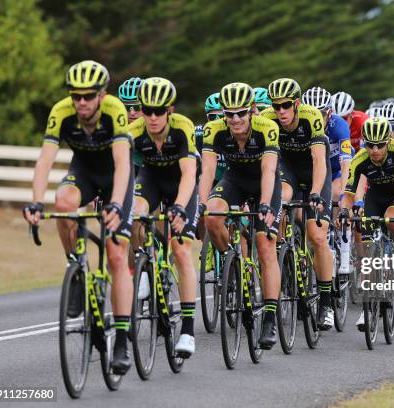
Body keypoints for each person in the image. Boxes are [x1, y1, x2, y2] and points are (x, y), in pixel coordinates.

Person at [23, 60, 134, 374]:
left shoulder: (115, 111)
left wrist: (114, 204)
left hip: (116, 178)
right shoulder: (61, 111)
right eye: (76, 96)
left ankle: (123, 340)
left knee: (115, 255)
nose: (81, 102)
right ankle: (75, 266)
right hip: (83, 173)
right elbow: (45, 160)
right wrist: (34, 202)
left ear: (101, 94)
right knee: (62, 201)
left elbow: (124, 164)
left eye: (87, 96)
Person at [199, 82, 282, 349]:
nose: (235, 119)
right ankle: (231, 264)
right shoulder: (214, 130)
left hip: (264, 184)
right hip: (234, 180)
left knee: (265, 244)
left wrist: (267, 204)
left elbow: (269, 170)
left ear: (253, 111)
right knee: (212, 215)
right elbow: (208, 171)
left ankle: (270, 316)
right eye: (229, 113)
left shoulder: (267, 128)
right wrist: (202, 204)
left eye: (241, 113)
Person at [130, 77, 199, 357]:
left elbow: (189, 175)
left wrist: (180, 207)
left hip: (181, 185)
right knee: (134, 215)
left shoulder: (183, 128)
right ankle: (142, 263)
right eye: (147, 110)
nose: (153, 117)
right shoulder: (133, 130)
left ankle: (188, 331)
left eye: (159, 111)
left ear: (169, 109)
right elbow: (122, 172)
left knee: (181, 250)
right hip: (151, 181)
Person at [262, 78, 335, 331]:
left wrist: (315, 192)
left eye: (285, 106)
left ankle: (326, 302)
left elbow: (318, 160)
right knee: (281, 199)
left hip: (313, 169)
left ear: (296, 103)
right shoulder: (266, 118)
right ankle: (286, 259)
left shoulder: (311, 116)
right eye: (276, 106)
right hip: (288, 170)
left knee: (316, 236)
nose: (280, 111)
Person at [338, 117, 394, 331]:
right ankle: (368, 308)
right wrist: (344, 210)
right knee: (369, 251)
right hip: (375, 198)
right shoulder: (360, 158)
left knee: (391, 221)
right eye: (370, 144)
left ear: (388, 141)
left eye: (379, 144)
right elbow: (349, 191)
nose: (375, 149)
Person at [302, 86, 353, 274]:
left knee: (337, 192)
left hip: (337, 168)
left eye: (320, 114)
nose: (316, 119)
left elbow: (346, 163)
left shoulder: (339, 126)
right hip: (315, 169)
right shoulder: (302, 126)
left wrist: (346, 197)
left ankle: (344, 248)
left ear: (329, 113)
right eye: (311, 114)